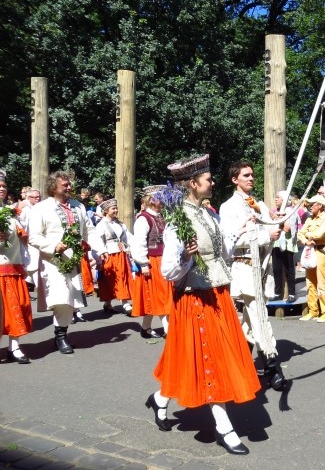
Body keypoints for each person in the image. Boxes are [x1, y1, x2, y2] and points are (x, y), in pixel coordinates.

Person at [148, 154, 260, 455]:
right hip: (195, 298)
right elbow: (168, 272)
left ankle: (160, 399)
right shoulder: (179, 219)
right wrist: (186, 256)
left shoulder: (208, 213)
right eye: (207, 179)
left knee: (200, 358)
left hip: (217, 293)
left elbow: (223, 252)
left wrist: (246, 229)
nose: (212, 182)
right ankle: (225, 428)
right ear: (192, 184)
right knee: (210, 360)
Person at [219, 161, 287, 391]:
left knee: (246, 323)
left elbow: (272, 228)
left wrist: (279, 224)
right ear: (234, 179)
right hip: (244, 269)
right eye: (246, 175)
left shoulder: (259, 204)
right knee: (260, 319)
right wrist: (266, 234)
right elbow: (231, 242)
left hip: (262, 269)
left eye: (252, 175)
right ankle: (271, 366)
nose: (251, 178)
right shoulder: (228, 207)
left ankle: (239, 365)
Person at [27, 171, 107, 354]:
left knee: (70, 300)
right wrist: (53, 245)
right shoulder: (41, 208)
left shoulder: (77, 206)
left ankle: (61, 333)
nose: (70, 187)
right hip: (53, 260)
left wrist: (101, 249)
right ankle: (61, 337)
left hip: (74, 259)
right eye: (65, 185)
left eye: (69, 184)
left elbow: (89, 231)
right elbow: (34, 237)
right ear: (53, 187)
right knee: (61, 297)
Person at [130, 187, 172, 339]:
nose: (163, 201)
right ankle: (168, 330)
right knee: (161, 296)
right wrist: (143, 263)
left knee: (157, 296)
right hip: (152, 261)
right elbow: (139, 242)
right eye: (160, 198)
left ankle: (145, 327)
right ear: (152, 200)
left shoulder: (162, 217)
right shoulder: (144, 218)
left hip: (164, 260)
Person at [0, 171, 33, 363]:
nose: (2, 189)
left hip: (13, 267)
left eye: (4, 186)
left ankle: (14, 347)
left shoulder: (11, 211)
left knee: (17, 309)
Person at [297, 194, 325, 322]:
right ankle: (313, 311)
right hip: (310, 249)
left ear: (320, 206)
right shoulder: (309, 219)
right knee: (310, 282)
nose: (310, 207)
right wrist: (307, 240)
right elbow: (299, 234)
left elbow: (319, 235)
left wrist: (307, 235)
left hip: (322, 250)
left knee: (322, 282)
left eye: (313, 204)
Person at [95, 198, 133, 315]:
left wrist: (133, 247)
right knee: (111, 280)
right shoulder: (101, 225)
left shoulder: (120, 224)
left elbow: (128, 237)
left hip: (121, 254)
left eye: (116, 208)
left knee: (122, 277)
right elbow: (98, 241)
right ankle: (118, 303)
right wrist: (99, 256)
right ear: (106, 211)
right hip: (109, 255)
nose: (116, 210)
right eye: (113, 209)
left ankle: (117, 303)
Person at [271, 190, 298, 303]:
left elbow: (287, 229)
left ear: (284, 200)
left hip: (287, 244)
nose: (276, 199)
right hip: (276, 243)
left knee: (289, 269)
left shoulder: (290, 212)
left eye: (278, 197)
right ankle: (277, 293)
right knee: (276, 269)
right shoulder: (275, 212)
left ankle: (291, 294)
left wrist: (278, 220)